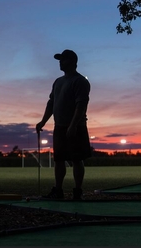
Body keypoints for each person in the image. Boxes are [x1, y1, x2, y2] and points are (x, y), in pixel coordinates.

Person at [36, 49, 91, 200]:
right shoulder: (58, 82)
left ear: (73, 61)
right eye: (60, 60)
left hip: (76, 127)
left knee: (76, 159)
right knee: (59, 159)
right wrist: (43, 121)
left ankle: (77, 191)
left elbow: (81, 105)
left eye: (63, 59)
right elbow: (51, 102)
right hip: (59, 126)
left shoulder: (80, 81)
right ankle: (58, 190)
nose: (60, 62)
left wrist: (73, 125)